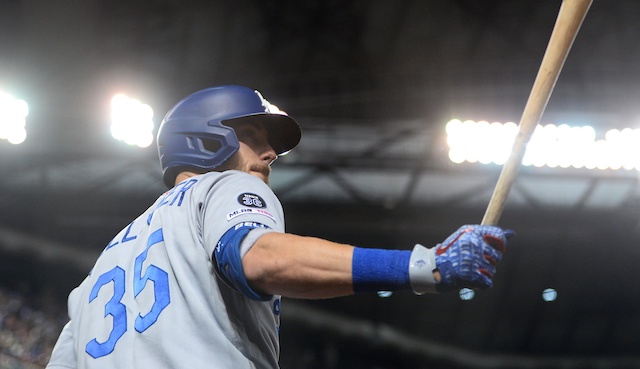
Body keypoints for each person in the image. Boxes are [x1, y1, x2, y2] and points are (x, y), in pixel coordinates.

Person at [46, 85, 513, 369]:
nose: (269, 155)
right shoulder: (220, 187)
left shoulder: (99, 272)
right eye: (252, 137)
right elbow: (262, 258)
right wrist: (425, 266)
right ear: (207, 139)